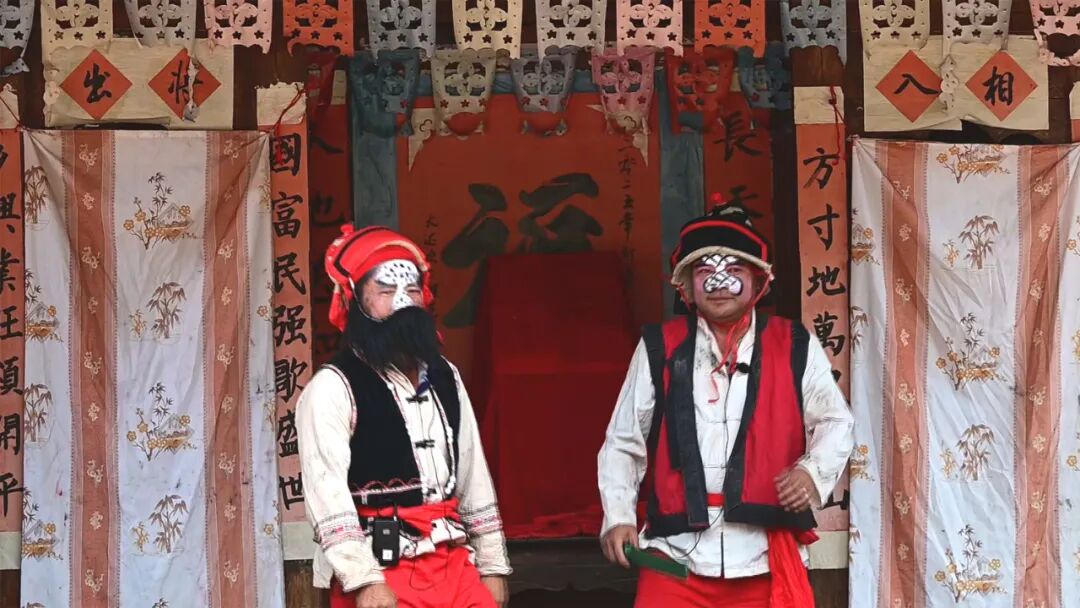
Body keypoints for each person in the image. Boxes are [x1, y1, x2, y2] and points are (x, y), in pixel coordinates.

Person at [597, 201, 854, 607]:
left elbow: (836, 421)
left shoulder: (793, 344)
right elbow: (623, 441)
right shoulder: (659, 347)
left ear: (758, 280)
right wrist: (619, 516)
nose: (719, 282)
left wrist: (812, 472)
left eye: (733, 270)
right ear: (686, 285)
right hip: (674, 557)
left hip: (762, 557)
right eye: (705, 272)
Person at [297, 225, 511, 608]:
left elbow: (472, 473)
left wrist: (492, 566)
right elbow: (326, 492)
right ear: (356, 302)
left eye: (412, 290)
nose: (403, 301)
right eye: (385, 290)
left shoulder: (445, 375)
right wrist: (364, 581)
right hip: (381, 570)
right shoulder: (332, 387)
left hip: (454, 564)